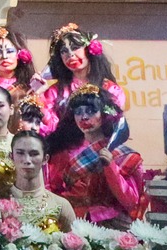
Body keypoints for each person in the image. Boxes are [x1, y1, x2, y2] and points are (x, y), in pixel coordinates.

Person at [45, 86, 149, 227]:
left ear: (105, 114)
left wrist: (110, 167)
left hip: (113, 226)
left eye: (91, 111)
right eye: (78, 112)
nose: (84, 117)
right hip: (75, 224)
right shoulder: (66, 152)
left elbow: (131, 201)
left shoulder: (123, 155)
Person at [35, 23, 129, 137]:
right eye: (64, 51)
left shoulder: (110, 88)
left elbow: (113, 125)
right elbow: (49, 127)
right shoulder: (55, 91)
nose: (70, 55)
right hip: (64, 145)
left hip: (100, 144)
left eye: (75, 48)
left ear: (89, 50)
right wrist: (38, 95)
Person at [1, 131, 77, 234]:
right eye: (20, 153)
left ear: (45, 159)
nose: (27, 160)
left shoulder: (61, 205)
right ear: (11, 157)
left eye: (34, 154)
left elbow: (75, 241)